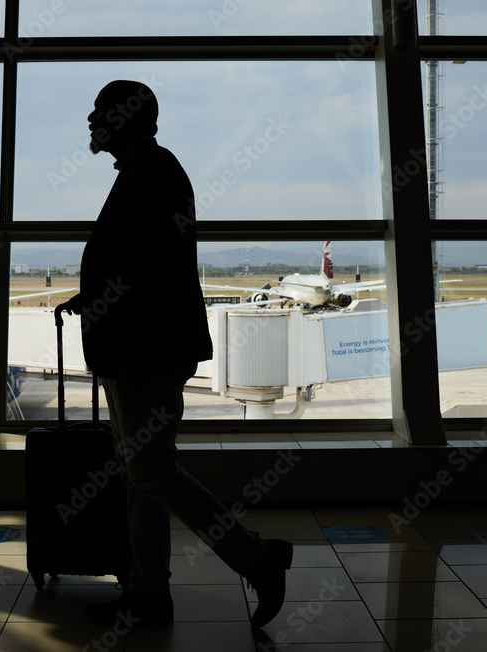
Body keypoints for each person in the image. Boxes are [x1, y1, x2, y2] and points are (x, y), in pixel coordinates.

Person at [60, 80, 292, 630]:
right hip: (135, 353)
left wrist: (124, 342)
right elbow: (141, 267)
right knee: (139, 475)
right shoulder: (149, 171)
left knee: (150, 469)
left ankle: (257, 558)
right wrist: (92, 299)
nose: (92, 121)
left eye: (101, 112)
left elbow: (155, 279)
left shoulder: (154, 174)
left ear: (128, 119)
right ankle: (148, 593)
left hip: (144, 355)